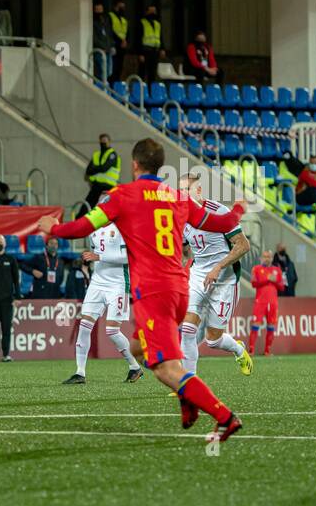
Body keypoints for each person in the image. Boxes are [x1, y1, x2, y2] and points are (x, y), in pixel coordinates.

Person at [38, 138, 246, 441]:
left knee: (165, 369)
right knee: (138, 349)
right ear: (160, 166)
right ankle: (188, 398)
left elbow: (85, 226)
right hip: (178, 290)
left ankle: (225, 417)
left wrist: (53, 227)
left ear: (134, 164)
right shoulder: (176, 196)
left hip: (153, 292)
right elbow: (222, 222)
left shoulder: (122, 195)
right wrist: (240, 206)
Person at [178, 175, 253, 377]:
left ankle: (238, 349)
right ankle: (188, 382)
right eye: (181, 190)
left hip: (224, 279)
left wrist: (218, 267)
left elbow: (243, 245)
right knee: (187, 330)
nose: (183, 194)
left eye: (187, 189)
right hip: (198, 276)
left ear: (199, 191)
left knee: (213, 340)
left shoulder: (219, 211)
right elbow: (184, 247)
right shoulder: (182, 214)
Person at [62, 211, 142, 385]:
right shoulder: (94, 231)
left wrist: (99, 257)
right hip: (97, 283)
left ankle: (134, 366)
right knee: (84, 326)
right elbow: (95, 251)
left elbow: (129, 257)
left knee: (112, 331)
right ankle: (80, 373)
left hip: (118, 285)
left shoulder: (123, 229)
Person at [246, 250, 285, 356]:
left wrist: (274, 281)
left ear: (272, 258)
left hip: (273, 303)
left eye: (269, 257)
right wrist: (267, 280)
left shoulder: (277, 270)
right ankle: (251, 350)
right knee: (255, 325)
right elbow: (254, 283)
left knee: (271, 326)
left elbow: (282, 287)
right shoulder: (256, 269)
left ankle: (267, 351)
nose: (267, 258)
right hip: (260, 302)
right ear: (261, 258)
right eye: (265, 256)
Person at [83, 134, 120, 212]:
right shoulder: (96, 154)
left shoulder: (112, 155)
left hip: (108, 187)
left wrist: (95, 168)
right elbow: (88, 171)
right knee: (85, 209)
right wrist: (99, 168)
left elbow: (105, 168)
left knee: (106, 210)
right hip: (96, 186)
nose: (103, 143)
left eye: (105, 141)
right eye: (101, 141)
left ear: (109, 142)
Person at [138, 5, 163, 84]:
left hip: (155, 51)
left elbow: (160, 37)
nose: (153, 13)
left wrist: (162, 48)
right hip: (145, 51)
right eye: (151, 11)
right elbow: (138, 38)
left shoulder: (157, 24)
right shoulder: (142, 22)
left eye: (154, 11)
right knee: (142, 72)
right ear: (147, 12)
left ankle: (150, 91)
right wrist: (140, 53)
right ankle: (141, 90)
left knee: (152, 73)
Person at [108, 1, 130, 83]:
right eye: (120, 7)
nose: (122, 9)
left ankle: (116, 84)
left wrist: (125, 41)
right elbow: (110, 31)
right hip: (114, 45)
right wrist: (120, 40)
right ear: (115, 7)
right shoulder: (110, 16)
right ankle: (111, 84)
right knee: (113, 67)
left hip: (122, 47)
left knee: (120, 68)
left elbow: (127, 32)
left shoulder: (124, 19)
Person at [91, 4, 114, 81]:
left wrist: (111, 46)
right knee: (100, 71)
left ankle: (105, 87)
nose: (100, 12)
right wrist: (102, 47)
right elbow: (95, 38)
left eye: (101, 9)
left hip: (108, 51)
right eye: (97, 10)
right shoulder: (93, 23)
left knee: (108, 72)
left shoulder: (105, 22)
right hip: (100, 51)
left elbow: (109, 35)